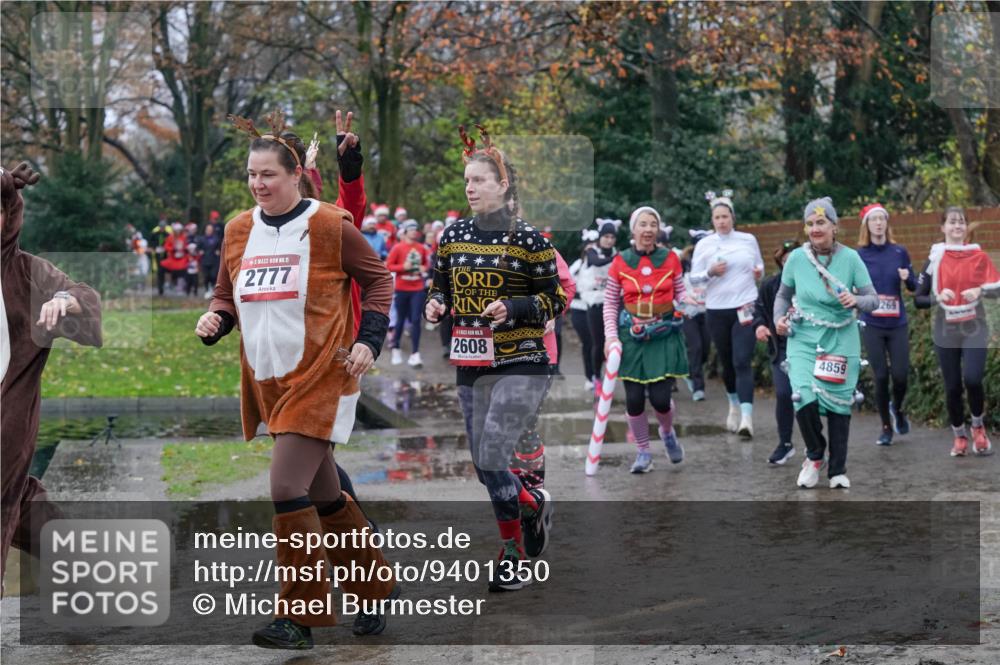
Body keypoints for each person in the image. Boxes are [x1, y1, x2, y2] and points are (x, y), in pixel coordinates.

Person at [197, 110, 397, 649]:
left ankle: (299, 619)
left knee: (286, 487)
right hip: (268, 382)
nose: (259, 184)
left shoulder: (330, 224)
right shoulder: (238, 230)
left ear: (294, 176)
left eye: (269, 175)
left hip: (322, 376)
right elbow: (226, 294)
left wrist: (368, 341)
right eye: (252, 176)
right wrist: (216, 318)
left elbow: (380, 282)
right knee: (324, 493)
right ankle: (374, 588)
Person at [424, 124, 565, 590]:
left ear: (503, 185)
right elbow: (439, 285)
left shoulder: (529, 240)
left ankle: (513, 555)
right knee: (487, 469)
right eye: (466, 181)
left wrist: (516, 307)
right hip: (472, 362)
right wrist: (436, 305)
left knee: (493, 452)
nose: (469, 188)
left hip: (523, 360)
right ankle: (531, 505)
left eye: (479, 180)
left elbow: (557, 299)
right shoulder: (452, 235)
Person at [2, 162, 103, 585]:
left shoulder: (29, 275)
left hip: (6, 427)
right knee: (19, 503)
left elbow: (87, 302)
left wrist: (65, 302)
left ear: (9, 214)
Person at [774, 197, 880, 489]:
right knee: (803, 394)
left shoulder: (851, 259)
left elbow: (874, 299)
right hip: (804, 336)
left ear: (834, 226)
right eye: (810, 223)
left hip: (841, 336)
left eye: (821, 222)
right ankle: (815, 454)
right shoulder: (796, 258)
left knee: (838, 401)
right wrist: (778, 319)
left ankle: (837, 470)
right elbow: (783, 295)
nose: (815, 228)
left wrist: (856, 299)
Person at [603, 206, 688, 473]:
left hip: (663, 333)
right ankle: (643, 452)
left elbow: (681, 291)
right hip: (632, 335)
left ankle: (667, 432)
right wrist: (611, 338)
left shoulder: (671, 258)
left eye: (653, 224)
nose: (649, 229)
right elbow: (609, 303)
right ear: (634, 229)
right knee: (635, 400)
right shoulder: (620, 261)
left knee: (662, 400)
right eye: (643, 224)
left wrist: (689, 301)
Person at [914, 208, 1000, 457]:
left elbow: (997, 289)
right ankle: (959, 434)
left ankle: (977, 426)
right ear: (943, 228)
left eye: (961, 222)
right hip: (945, 328)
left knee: (972, 378)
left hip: (975, 325)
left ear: (966, 228)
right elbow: (918, 298)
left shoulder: (978, 255)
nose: (957, 226)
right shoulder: (934, 258)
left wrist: (980, 291)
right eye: (952, 222)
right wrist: (937, 297)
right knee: (952, 387)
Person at [689, 190, 764, 437]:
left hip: (745, 306)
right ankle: (733, 403)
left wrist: (757, 274)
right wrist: (710, 271)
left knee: (742, 360)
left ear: (732, 217)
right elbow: (693, 278)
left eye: (725, 216)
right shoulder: (704, 244)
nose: (721, 221)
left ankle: (746, 418)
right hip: (717, 309)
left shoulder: (747, 240)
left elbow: (760, 266)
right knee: (727, 362)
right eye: (717, 217)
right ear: (712, 220)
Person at [856, 203, 917, 446]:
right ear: (867, 225)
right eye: (874, 220)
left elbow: (913, 286)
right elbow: (851, 286)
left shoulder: (899, 252)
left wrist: (908, 278)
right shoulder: (859, 255)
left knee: (901, 376)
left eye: (882, 219)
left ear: (887, 223)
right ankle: (885, 427)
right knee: (880, 376)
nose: (879, 223)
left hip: (897, 323)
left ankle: (898, 409)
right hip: (871, 323)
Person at [753, 240, 799, 465]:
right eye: (785, 260)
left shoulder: (813, 283)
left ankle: (817, 446)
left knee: (811, 399)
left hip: (810, 348)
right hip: (781, 349)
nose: (789, 264)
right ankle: (785, 443)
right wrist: (760, 326)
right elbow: (759, 310)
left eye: (794, 259)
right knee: (783, 393)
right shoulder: (771, 285)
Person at [580, 218, 620, 391]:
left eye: (612, 237)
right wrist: (615, 258)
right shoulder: (591, 251)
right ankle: (596, 376)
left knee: (613, 342)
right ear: (600, 237)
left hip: (612, 304)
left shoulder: (617, 253)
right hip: (595, 305)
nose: (609, 240)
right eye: (606, 236)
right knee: (598, 342)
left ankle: (612, 374)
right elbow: (596, 262)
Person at [386, 219, 431, 367]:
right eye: (411, 229)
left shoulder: (421, 247)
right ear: (405, 232)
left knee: (416, 320)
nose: (414, 232)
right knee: (400, 319)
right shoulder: (398, 248)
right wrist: (402, 267)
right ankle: (396, 348)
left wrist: (425, 268)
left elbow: (427, 263)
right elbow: (388, 265)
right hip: (401, 288)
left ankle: (415, 353)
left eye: (415, 229)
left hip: (417, 288)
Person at [679, 229, 711, 401]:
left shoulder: (713, 262)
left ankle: (691, 370)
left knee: (705, 349)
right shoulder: (683, 264)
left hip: (708, 311)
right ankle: (698, 388)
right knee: (696, 347)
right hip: (689, 312)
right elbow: (676, 287)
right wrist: (682, 305)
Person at [568, 231, 597, 390]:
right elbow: (567, 285)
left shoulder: (604, 265)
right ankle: (589, 376)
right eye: (589, 244)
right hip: (579, 309)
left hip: (598, 309)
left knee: (598, 343)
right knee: (588, 342)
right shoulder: (577, 266)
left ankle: (598, 375)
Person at [198, 223, 222, 299]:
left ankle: (212, 289)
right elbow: (198, 248)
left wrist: (218, 251)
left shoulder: (216, 239)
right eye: (208, 230)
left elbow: (220, 248)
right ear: (205, 230)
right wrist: (200, 251)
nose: (209, 231)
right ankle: (207, 290)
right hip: (205, 260)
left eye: (210, 230)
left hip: (214, 260)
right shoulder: (201, 239)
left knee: (213, 275)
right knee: (206, 276)